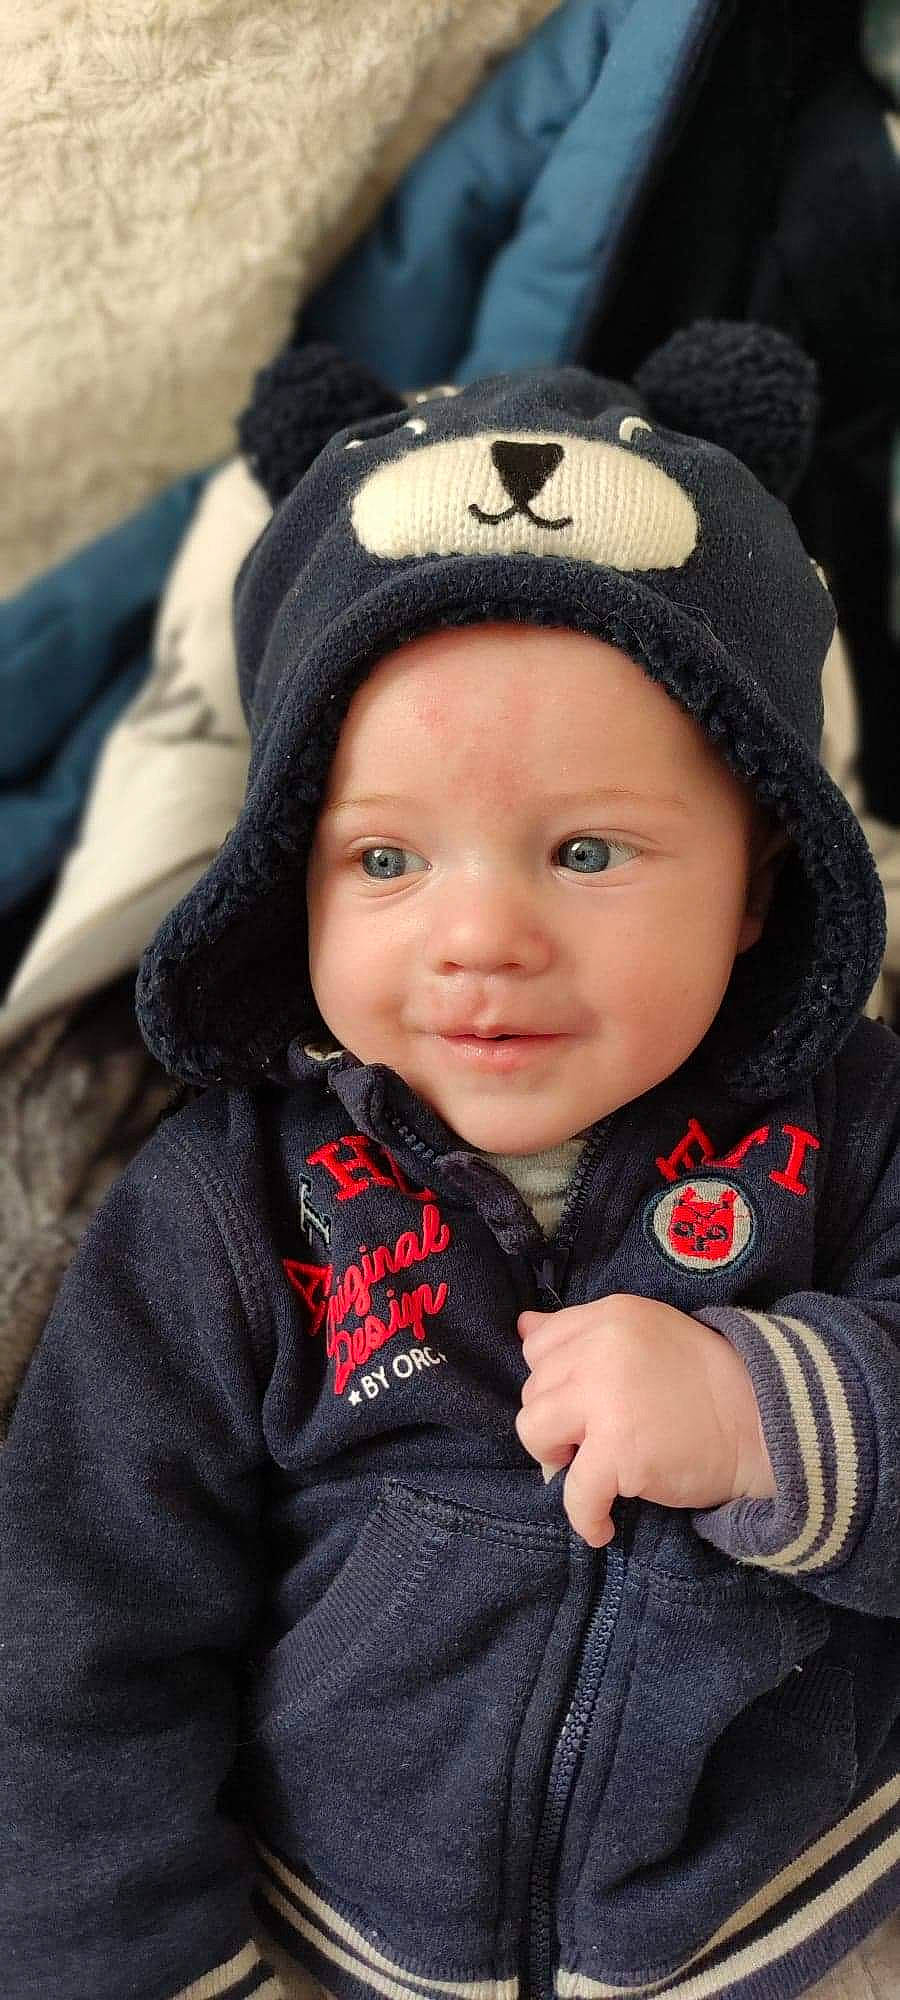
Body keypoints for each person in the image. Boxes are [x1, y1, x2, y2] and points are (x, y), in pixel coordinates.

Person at [2, 330, 899, 2000]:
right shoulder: (233, 1206)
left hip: (808, 1903)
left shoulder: (854, 1125)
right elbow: (72, 1648)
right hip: (334, 1933)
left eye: (585, 849)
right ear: (288, 879)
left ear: (759, 881)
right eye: (387, 857)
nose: (481, 935)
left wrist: (762, 1412)